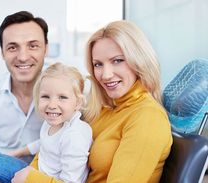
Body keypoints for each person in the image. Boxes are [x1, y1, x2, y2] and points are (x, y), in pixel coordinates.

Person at [12, 20, 173, 183]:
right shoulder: (105, 108)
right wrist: (31, 172)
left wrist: (31, 179)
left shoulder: (148, 118)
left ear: (139, 59)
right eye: (98, 64)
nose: (106, 75)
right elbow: (50, 150)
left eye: (117, 60)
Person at [0, 62, 93, 183]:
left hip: (38, 178)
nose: (52, 105)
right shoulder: (53, 123)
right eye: (45, 97)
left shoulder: (74, 136)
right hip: (34, 171)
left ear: (78, 103)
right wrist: (17, 153)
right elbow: (44, 143)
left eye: (62, 97)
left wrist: (30, 178)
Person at [0, 10, 48, 164]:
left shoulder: (69, 93)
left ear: (46, 49)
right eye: (12, 48)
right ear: (2, 53)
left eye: (33, 46)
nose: (23, 57)